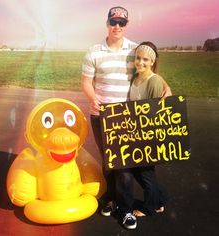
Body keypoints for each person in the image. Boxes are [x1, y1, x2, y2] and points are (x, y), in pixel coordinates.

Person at [81, 6, 171, 230]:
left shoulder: (134, 49)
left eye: (122, 23)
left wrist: (166, 89)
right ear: (107, 23)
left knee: (124, 165)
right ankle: (112, 199)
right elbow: (85, 82)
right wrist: (92, 98)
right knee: (109, 162)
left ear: (127, 25)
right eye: (113, 22)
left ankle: (126, 209)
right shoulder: (93, 51)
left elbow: (151, 70)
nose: (117, 27)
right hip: (101, 115)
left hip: (127, 117)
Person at [115, 41, 169, 225]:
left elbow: (156, 112)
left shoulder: (153, 80)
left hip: (147, 135)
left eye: (145, 59)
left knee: (145, 173)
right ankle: (159, 201)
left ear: (152, 61)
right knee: (142, 172)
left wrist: (149, 138)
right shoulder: (135, 77)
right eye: (138, 58)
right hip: (135, 133)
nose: (141, 62)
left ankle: (149, 207)